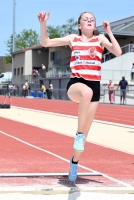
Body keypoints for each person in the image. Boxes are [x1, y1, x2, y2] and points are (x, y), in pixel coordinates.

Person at [38, 11, 122, 182]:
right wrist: (43, 23)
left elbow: (118, 52)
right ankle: (79, 135)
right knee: (86, 92)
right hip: (76, 84)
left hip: (94, 86)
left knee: (83, 138)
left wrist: (109, 32)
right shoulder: (73, 39)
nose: (90, 21)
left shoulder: (100, 40)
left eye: (92, 19)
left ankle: (74, 161)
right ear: (79, 25)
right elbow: (45, 42)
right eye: (86, 19)